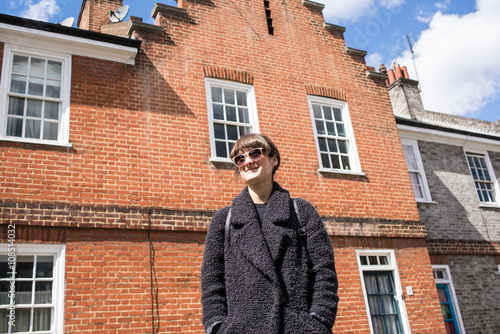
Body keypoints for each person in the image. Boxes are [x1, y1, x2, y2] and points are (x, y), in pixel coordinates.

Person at [201, 133, 339, 334]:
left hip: (296, 328)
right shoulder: (224, 220)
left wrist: (318, 322)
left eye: (255, 154)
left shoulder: (301, 211)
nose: (247, 162)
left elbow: (324, 271)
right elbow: (211, 281)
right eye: (240, 159)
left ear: (274, 159)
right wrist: (217, 327)